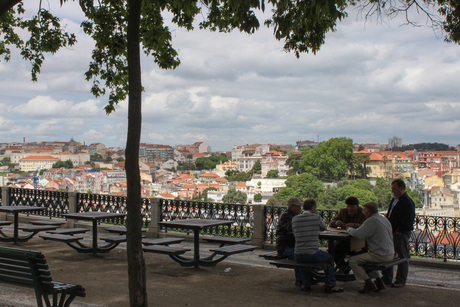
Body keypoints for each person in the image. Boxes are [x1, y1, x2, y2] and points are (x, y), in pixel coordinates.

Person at [292, 199, 343, 293]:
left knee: (303, 262)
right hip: (312, 254)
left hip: (297, 254)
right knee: (330, 258)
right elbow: (324, 228)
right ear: (313, 208)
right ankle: (330, 284)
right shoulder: (316, 217)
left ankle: (305, 284)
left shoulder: (295, 219)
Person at [346, 202, 394, 293]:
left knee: (353, 260)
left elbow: (358, 234)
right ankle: (379, 281)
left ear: (369, 212)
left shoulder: (371, 220)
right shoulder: (383, 219)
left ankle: (367, 283)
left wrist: (348, 229)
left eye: (364, 211)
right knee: (363, 257)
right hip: (390, 253)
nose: (363, 213)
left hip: (380, 254)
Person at [382, 179, 416, 288]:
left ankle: (400, 280)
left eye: (394, 189)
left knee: (402, 257)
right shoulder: (394, 200)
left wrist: (399, 231)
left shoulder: (408, 202)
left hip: (401, 234)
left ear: (402, 189)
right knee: (389, 255)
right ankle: (387, 278)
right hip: (391, 232)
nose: (392, 191)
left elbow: (408, 220)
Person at [329, 196, 366, 270]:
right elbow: (331, 222)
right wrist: (336, 223)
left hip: (357, 241)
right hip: (343, 239)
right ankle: (343, 267)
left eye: (352, 207)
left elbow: (365, 225)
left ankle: (345, 268)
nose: (349, 209)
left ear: (357, 206)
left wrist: (354, 225)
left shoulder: (363, 213)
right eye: (348, 206)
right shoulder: (343, 211)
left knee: (352, 251)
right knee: (334, 250)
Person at [276, 197, 303, 287]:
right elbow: (291, 229)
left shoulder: (292, 215)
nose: (300, 209)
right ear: (292, 206)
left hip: (290, 245)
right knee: (300, 256)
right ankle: (300, 279)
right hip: (285, 247)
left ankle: (306, 278)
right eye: (298, 207)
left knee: (304, 254)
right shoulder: (286, 216)